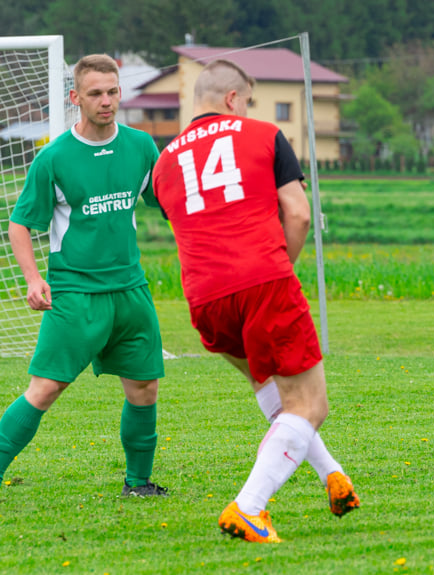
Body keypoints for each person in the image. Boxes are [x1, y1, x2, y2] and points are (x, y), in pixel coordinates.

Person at [152, 59, 358, 543]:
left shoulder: (162, 163)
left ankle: (332, 474)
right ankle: (249, 507)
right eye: (247, 101)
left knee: (269, 384)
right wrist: (279, 269)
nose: (247, 110)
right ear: (231, 99)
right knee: (309, 404)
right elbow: (299, 215)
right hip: (261, 279)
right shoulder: (263, 135)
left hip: (204, 296)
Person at [0, 54, 167, 496]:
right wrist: (34, 280)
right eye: (96, 93)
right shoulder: (54, 157)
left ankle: (138, 483)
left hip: (130, 289)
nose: (106, 101)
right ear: (76, 97)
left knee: (144, 388)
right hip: (75, 295)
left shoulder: (142, 146)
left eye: (113, 91)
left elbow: (162, 200)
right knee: (46, 389)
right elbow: (20, 224)